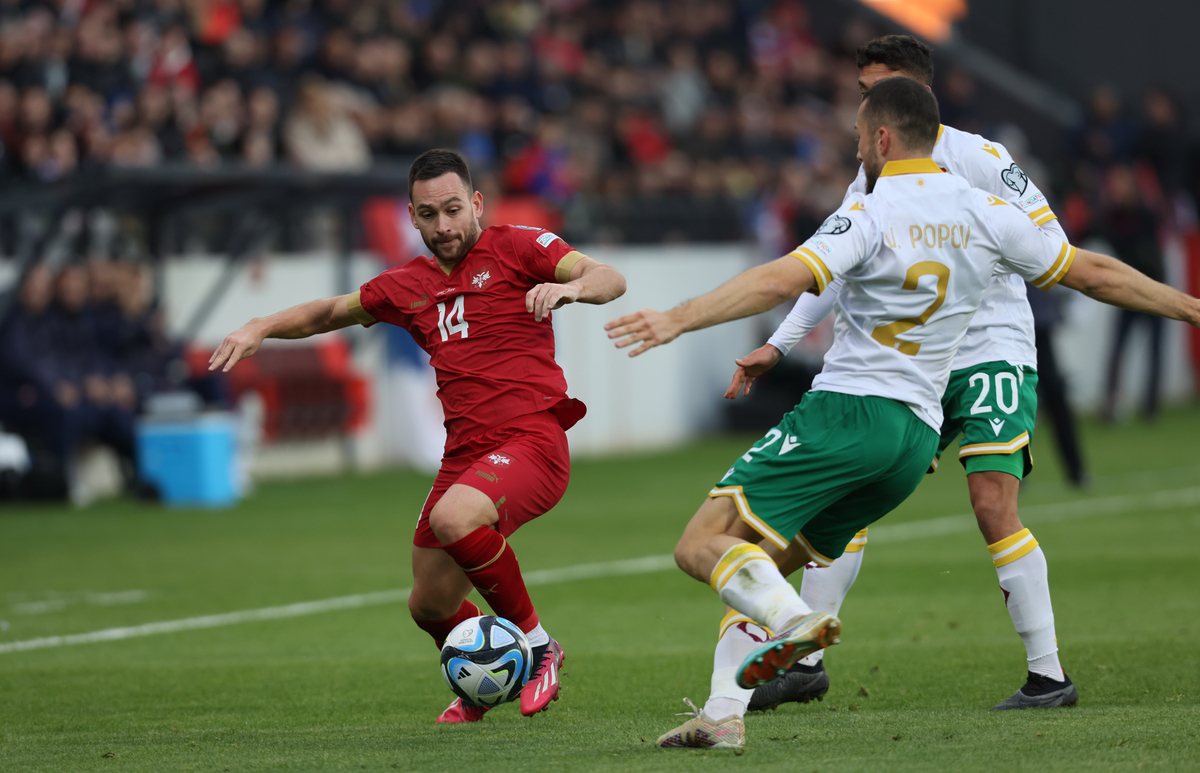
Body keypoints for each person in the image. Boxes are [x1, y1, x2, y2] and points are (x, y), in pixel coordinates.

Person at [605, 77, 1200, 750]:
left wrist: (677, 317)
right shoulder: (985, 209)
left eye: (860, 136)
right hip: (913, 441)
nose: (857, 148)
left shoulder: (871, 209)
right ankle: (722, 715)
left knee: (700, 543)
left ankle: (798, 621)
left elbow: (782, 279)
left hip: (848, 412)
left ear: (883, 138)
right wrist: (1189, 307)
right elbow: (1093, 271)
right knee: (754, 563)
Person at [712, 35, 1087, 718]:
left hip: (989, 348)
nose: (860, 106)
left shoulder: (979, 157)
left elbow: (1052, 243)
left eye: (871, 90)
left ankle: (1048, 673)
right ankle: (807, 661)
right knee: (844, 498)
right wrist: (779, 342)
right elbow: (832, 263)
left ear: (911, 93)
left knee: (991, 502)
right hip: (914, 364)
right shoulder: (874, 177)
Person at [209, 148, 626, 723]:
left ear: (476, 203)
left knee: (453, 520)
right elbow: (330, 311)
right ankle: (485, 686)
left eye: (454, 209)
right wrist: (261, 326)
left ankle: (538, 646)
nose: (444, 226)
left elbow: (609, 277)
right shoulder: (406, 284)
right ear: (412, 216)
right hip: (465, 453)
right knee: (429, 604)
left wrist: (572, 290)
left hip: (532, 440)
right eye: (429, 215)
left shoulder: (519, 247)